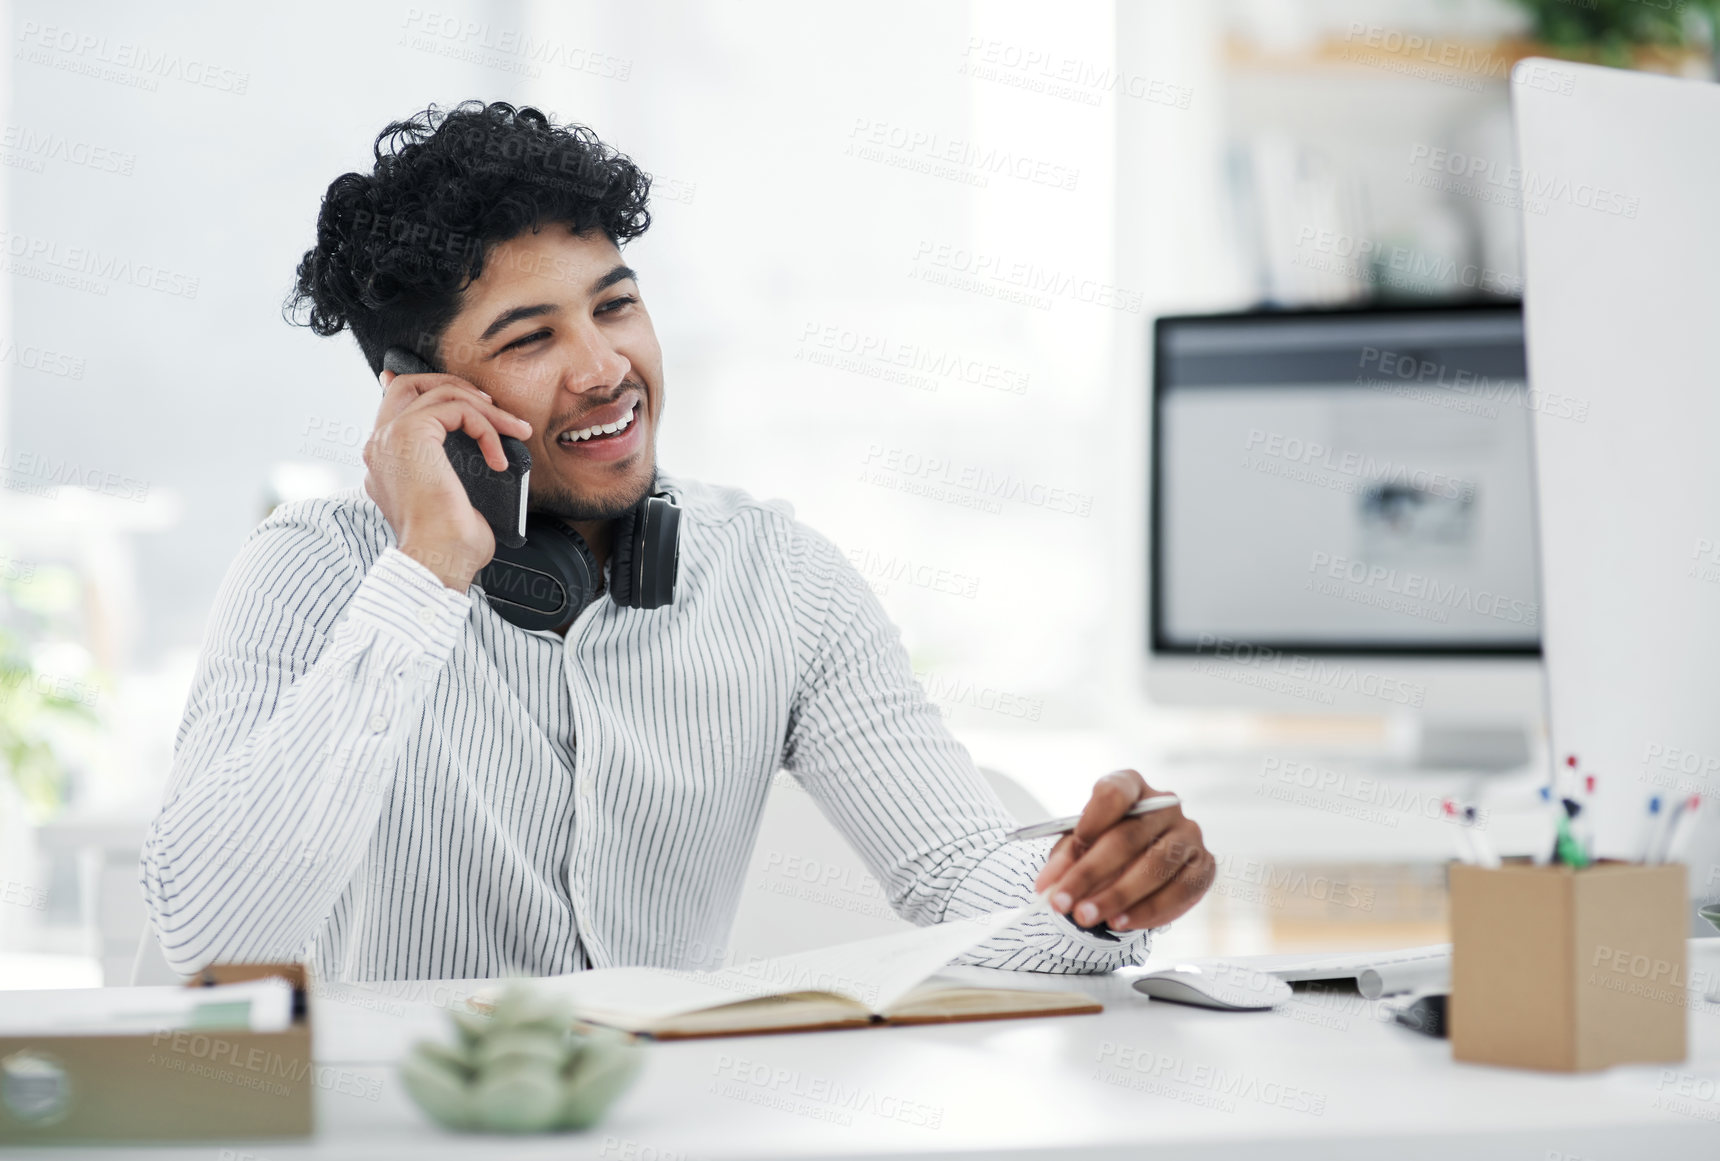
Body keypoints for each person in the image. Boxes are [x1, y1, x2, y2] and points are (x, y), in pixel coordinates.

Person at [139, 101, 1214, 981]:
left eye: (615, 308)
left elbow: (960, 884)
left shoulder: (779, 580)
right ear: (420, 395)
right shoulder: (312, 573)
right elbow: (212, 943)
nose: (605, 366)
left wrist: (1095, 897)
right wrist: (425, 575)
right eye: (531, 338)